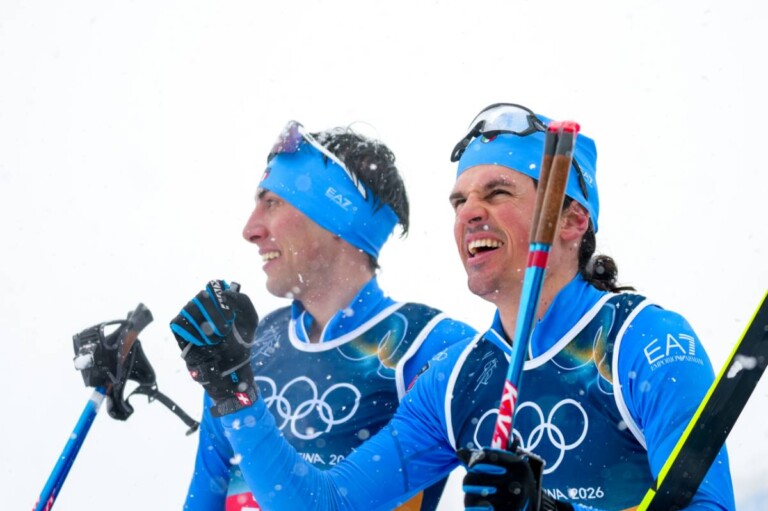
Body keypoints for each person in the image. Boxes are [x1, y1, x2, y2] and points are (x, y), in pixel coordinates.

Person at [171, 105, 735, 511]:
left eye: (498, 193)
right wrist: (233, 393)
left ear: (571, 220)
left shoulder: (643, 341)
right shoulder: (458, 378)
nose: (469, 214)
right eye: (460, 201)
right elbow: (326, 502)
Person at [170, 120, 477, 511]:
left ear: (340, 220)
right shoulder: (251, 345)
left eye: (273, 202)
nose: (251, 229)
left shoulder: (427, 344)